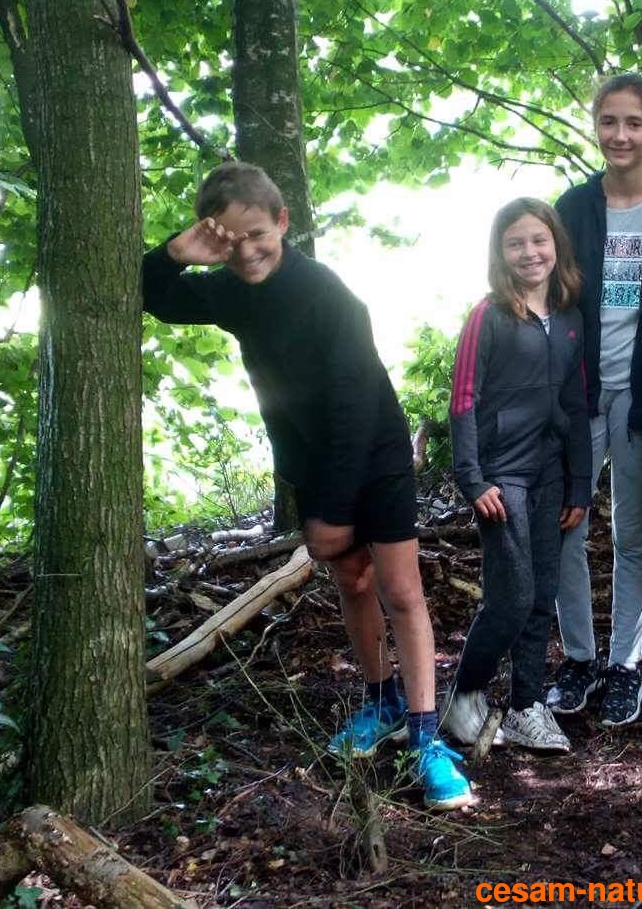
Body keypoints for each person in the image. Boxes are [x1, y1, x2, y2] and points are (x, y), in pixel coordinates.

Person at [140, 161, 472, 809]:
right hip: (314, 462)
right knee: (352, 582)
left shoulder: (327, 295)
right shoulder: (230, 290)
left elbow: (354, 407)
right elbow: (153, 296)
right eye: (230, 240)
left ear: (283, 222)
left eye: (257, 234)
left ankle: (425, 736)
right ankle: (381, 701)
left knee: (401, 590)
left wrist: (333, 508)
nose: (247, 251)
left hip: (374, 453)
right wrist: (176, 253)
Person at [548, 73, 642, 727]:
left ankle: (624, 665)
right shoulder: (574, 206)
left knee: (633, 534)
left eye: (634, 122)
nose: (620, 134)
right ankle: (579, 658)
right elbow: (548, 294)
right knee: (566, 526)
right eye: (608, 121)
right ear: (595, 126)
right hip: (579, 391)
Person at [439, 199, 592, 753]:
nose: (530, 252)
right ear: (500, 253)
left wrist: (580, 484)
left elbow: (575, 405)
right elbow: (463, 399)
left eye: (539, 240)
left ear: (556, 246)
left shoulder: (570, 318)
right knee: (512, 595)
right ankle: (464, 694)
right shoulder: (489, 315)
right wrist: (473, 479)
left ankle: (527, 705)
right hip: (502, 477)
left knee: (543, 592)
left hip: (551, 474)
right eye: (516, 243)